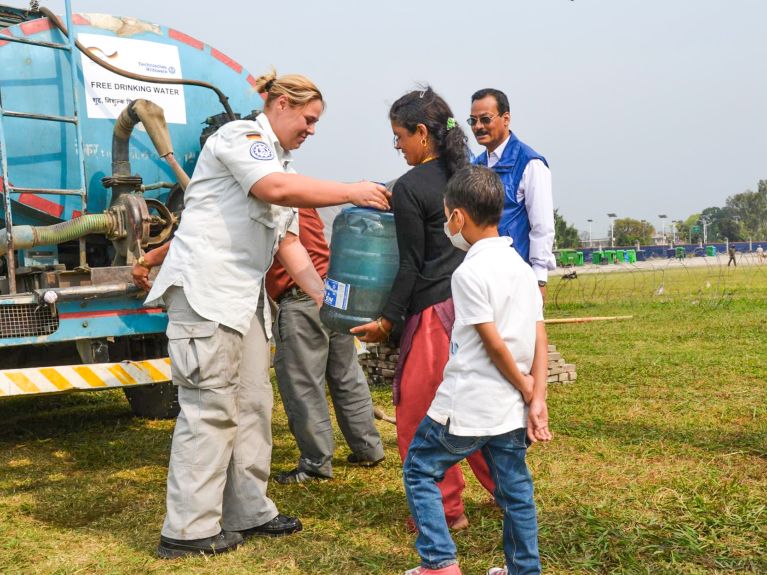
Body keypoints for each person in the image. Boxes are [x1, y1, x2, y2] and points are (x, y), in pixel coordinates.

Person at [133, 70, 390, 559]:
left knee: (253, 403)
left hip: (244, 300)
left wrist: (327, 301)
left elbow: (290, 245)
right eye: (308, 119)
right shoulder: (241, 137)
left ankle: (248, 510)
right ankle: (187, 530)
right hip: (206, 293)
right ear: (280, 104)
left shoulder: (283, 165)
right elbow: (273, 189)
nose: (312, 129)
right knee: (210, 408)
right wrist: (351, 190)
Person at [351, 87, 495, 531]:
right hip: (478, 305)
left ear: (421, 133)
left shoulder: (411, 187)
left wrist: (387, 321)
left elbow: (411, 265)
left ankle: (446, 511)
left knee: (422, 413)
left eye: (399, 137)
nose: (398, 147)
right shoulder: (469, 174)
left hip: (435, 313)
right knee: (480, 407)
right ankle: (510, 492)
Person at [402, 165, 552, 575]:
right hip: (508, 411)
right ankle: (524, 570)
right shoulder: (521, 268)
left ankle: (438, 562)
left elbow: (492, 342)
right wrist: (536, 396)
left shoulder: (468, 272)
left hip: (467, 405)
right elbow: (539, 335)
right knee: (516, 491)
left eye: (447, 215)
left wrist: (525, 386)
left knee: (419, 470)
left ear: (458, 218)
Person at [266, 205, 385, 484]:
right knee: (346, 374)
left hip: (300, 297)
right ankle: (368, 448)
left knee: (303, 384)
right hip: (334, 292)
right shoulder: (303, 201)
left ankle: (315, 464)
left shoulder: (268, 201)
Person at [469, 88, 555, 298]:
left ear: (506, 118)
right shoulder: (475, 166)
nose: (478, 126)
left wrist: (539, 278)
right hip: (481, 276)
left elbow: (541, 227)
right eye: (473, 121)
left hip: (518, 276)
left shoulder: (530, 164)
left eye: (485, 119)